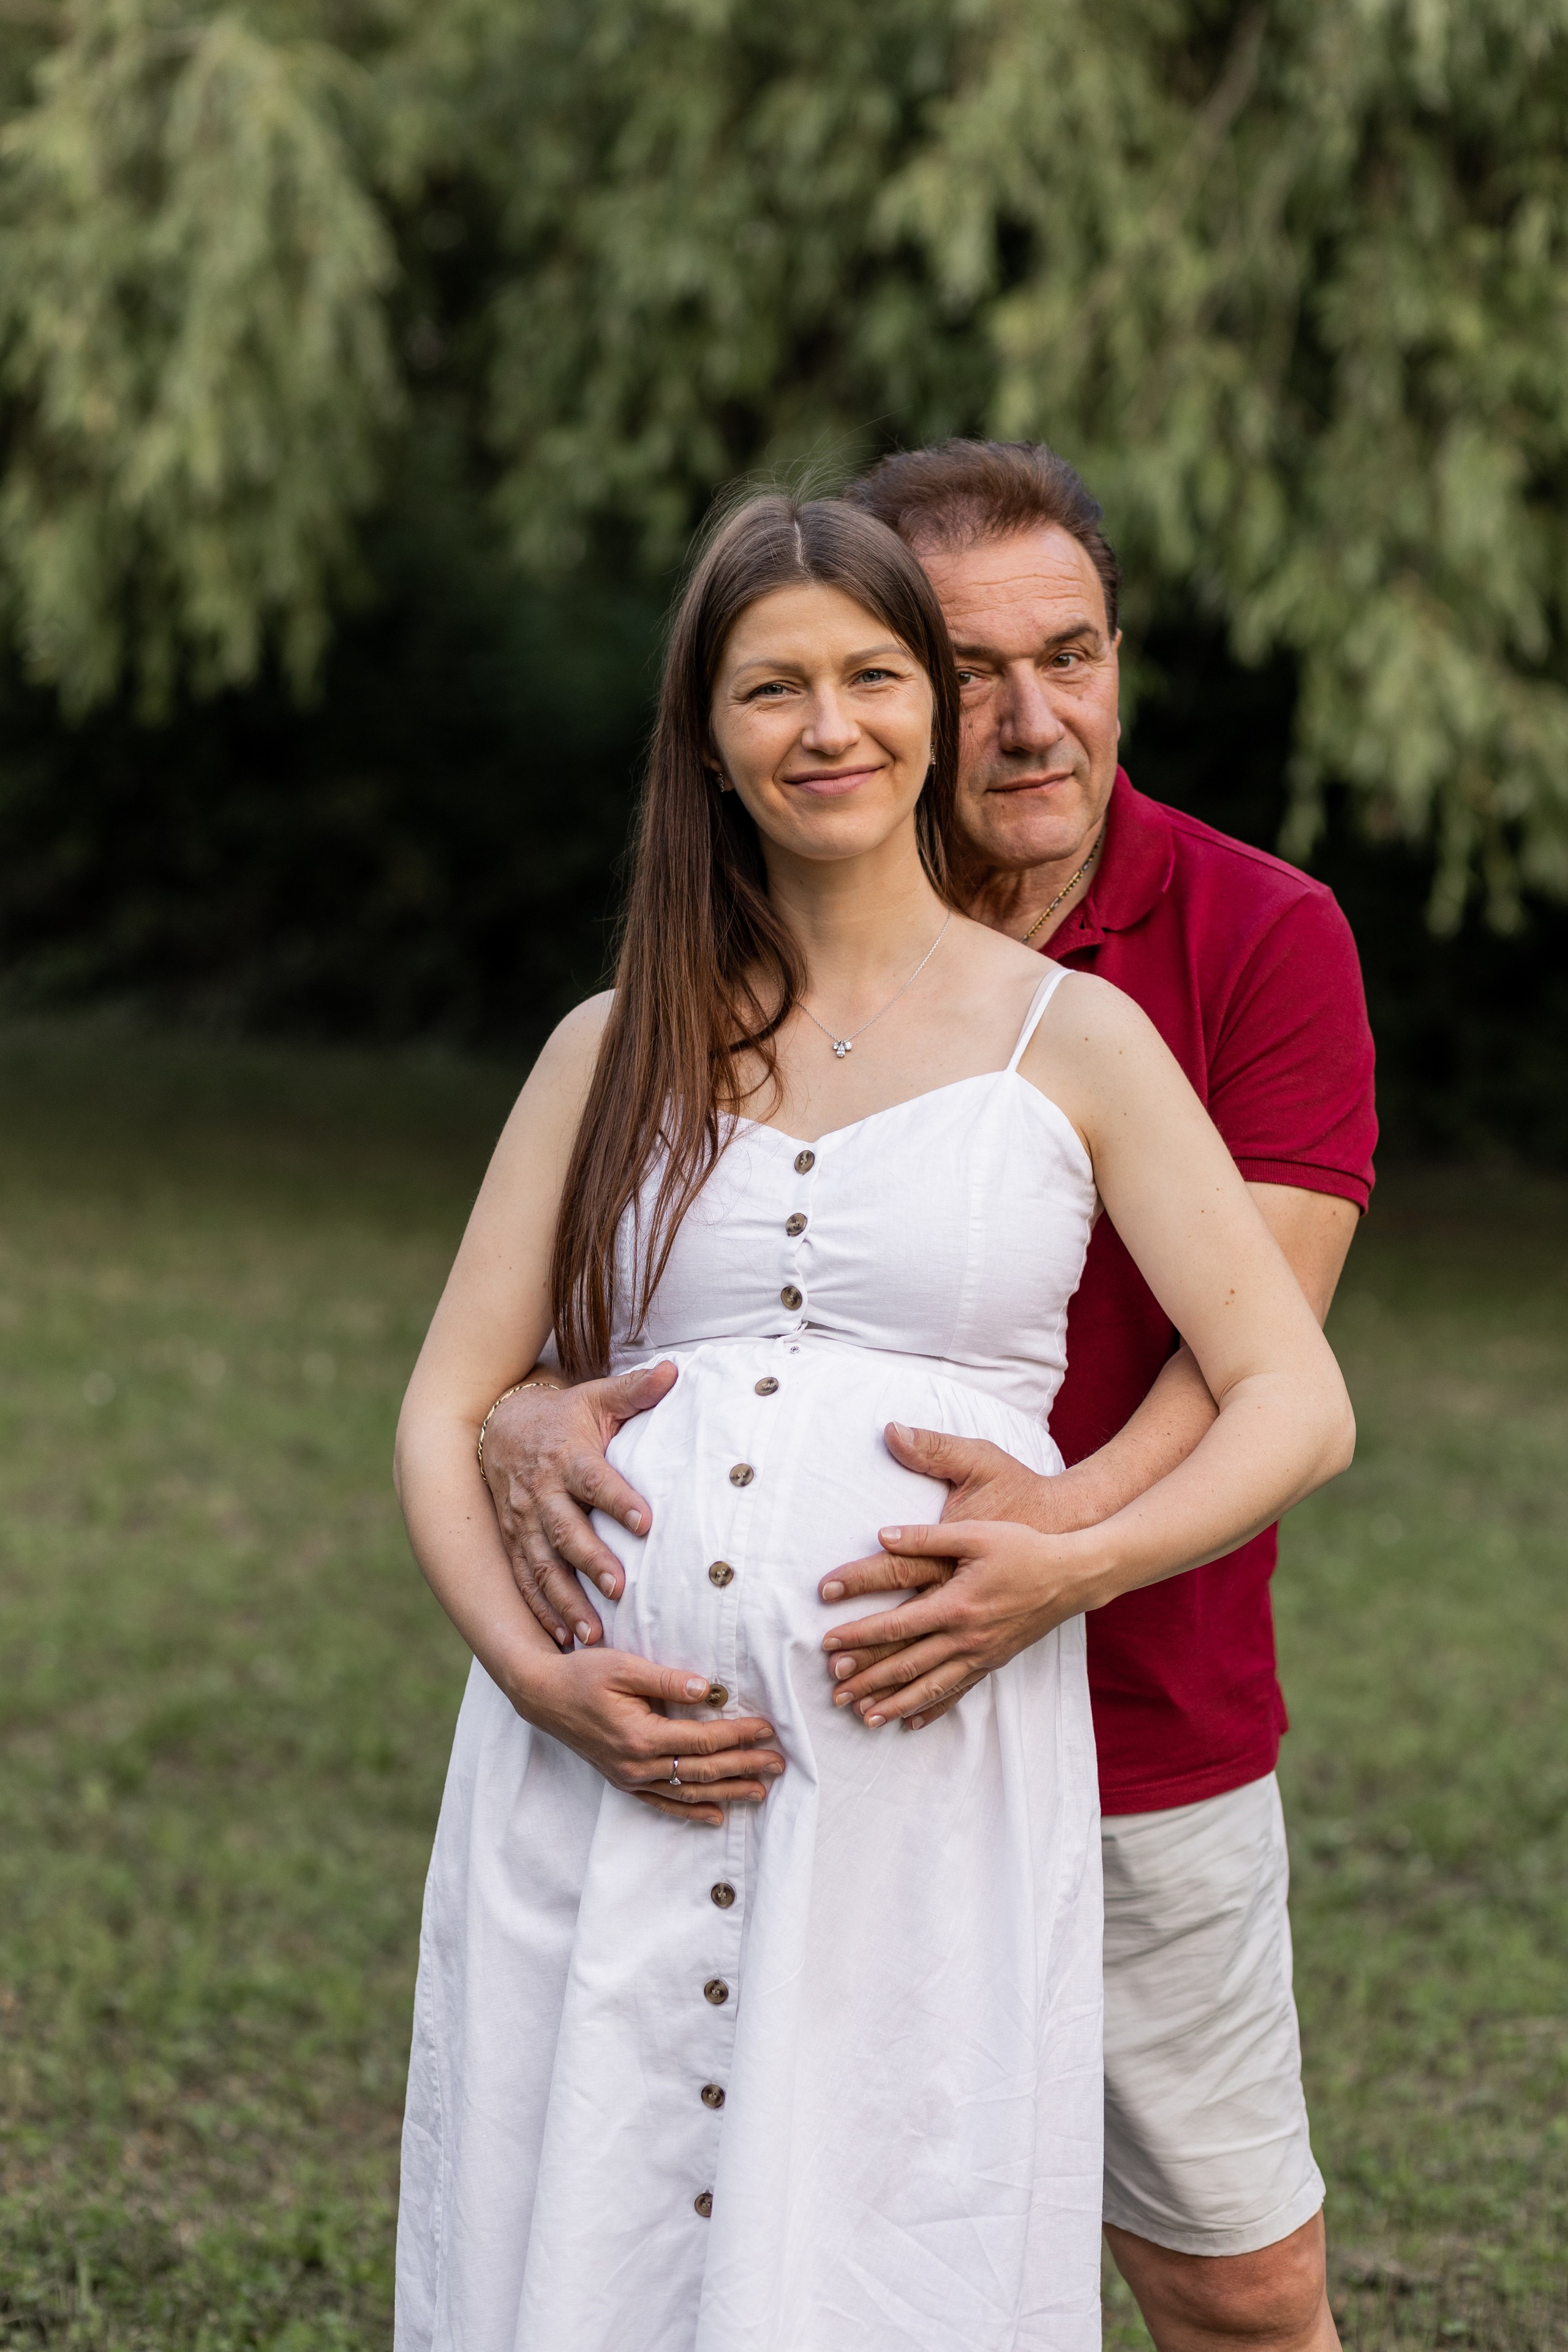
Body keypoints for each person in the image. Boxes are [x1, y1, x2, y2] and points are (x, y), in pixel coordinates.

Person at [393, 489, 1354, 2352]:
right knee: (600, 2232)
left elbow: (1289, 1397)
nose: (830, 726)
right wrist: (532, 1670)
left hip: (953, 1749)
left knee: (905, 2226)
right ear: (703, 734)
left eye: (872, 678)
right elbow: (447, 1394)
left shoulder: (1083, 1031)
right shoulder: (609, 1045)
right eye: (773, 688)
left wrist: (1057, 1560)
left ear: (919, 715)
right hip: (611, 1763)